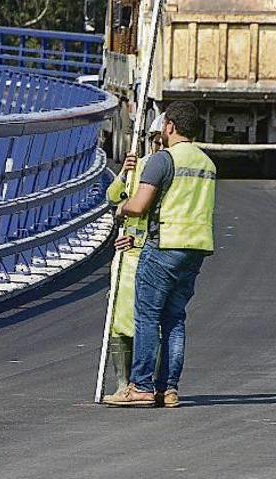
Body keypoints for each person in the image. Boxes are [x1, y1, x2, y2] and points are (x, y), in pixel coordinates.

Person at [105, 101, 216, 408]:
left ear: (169, 126)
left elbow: (138, 205)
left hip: (164, 244)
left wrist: (120, 210)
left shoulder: (163, 160)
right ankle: (168, 389)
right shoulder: (207, 163)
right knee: (175, 319)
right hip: (195, 248)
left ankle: (139, 386)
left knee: (147, 317)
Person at [101, 113, 164, 401]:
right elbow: (113, 197)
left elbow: (140, 210)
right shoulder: (140, 166)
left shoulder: (167, 170)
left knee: (150, 320)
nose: (156, 146)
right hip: (127, 255)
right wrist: (125, 173)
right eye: (154, 141)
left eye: (160, 141)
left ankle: (149, 385)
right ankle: (123, 383)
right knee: (119, 318)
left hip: (149, 251)